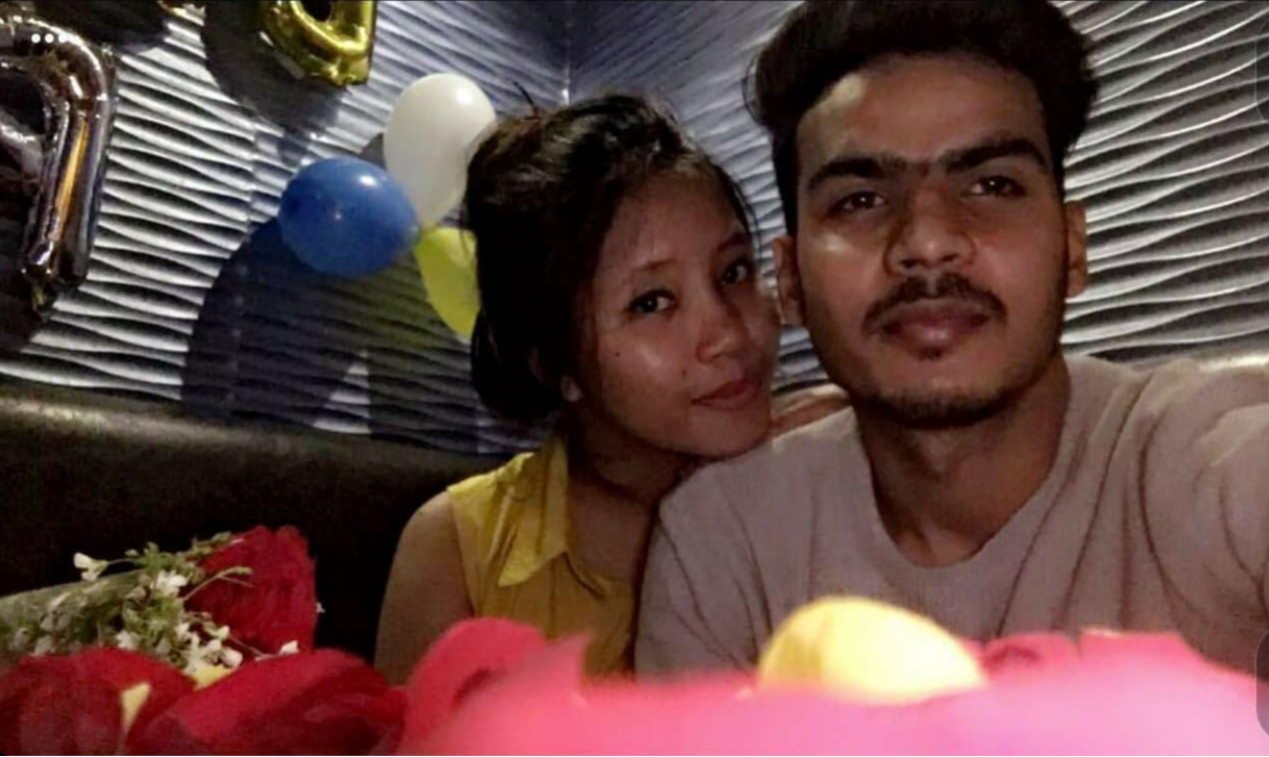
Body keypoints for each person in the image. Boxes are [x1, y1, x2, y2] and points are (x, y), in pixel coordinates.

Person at [636, 0, 1269, 675]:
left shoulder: (1208, 463)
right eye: (859, 200)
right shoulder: (724, 540)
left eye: (991, 185)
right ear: (789, 281)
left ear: (1072, 248)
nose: (928, 241)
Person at [376, 95, 845, 683]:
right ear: (556, 364)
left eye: (734, 271)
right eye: (652, 302)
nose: (728, 333)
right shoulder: (458, 548)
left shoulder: (832, 459)